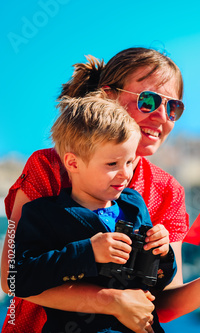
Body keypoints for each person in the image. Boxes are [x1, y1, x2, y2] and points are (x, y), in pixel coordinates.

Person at [1, 47, 200, 333]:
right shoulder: (48, 166)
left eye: (173, 107)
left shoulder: (168, 191)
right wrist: (111, 301)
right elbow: (12, 275)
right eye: (148, 100)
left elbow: (162, 301)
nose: (162, 116)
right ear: (109, 96)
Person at [15, 94, 177, 332]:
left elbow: (158, 281)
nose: (125, 174)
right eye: (112, 164)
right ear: (73, 163)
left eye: (130, 162)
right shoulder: (43, 215)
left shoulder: (134, 204)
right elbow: (18, 278)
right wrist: (87, 252)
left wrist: (162, 252)